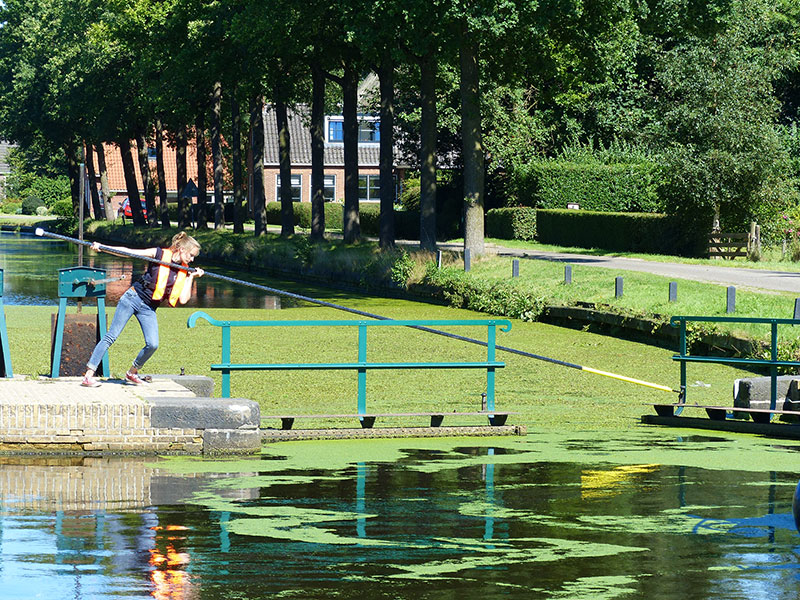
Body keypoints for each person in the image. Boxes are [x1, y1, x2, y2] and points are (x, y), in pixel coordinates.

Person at [81, 231, 204, 387]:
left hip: (149, 308)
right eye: (191, 255)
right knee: (111, 336)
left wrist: (191, 277)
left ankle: (132, 372)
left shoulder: (184, 270)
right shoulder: (158, 253)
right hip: (132, 298)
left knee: (153, 344)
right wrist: (103, 247)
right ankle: (88, 375)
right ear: (182, 249)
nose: (192, 259)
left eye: (194, 257)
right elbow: (129, 252)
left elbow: (184, 299)